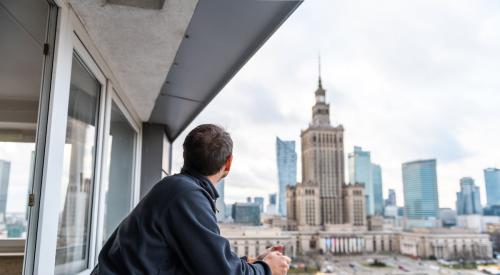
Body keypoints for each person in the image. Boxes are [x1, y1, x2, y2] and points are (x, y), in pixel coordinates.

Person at [92, 124, 291, 275]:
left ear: (185, 156)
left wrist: (250, 263)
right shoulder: (187, 195)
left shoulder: (178, 189)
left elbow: (198, 262)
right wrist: (266, 269)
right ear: (228, 162)